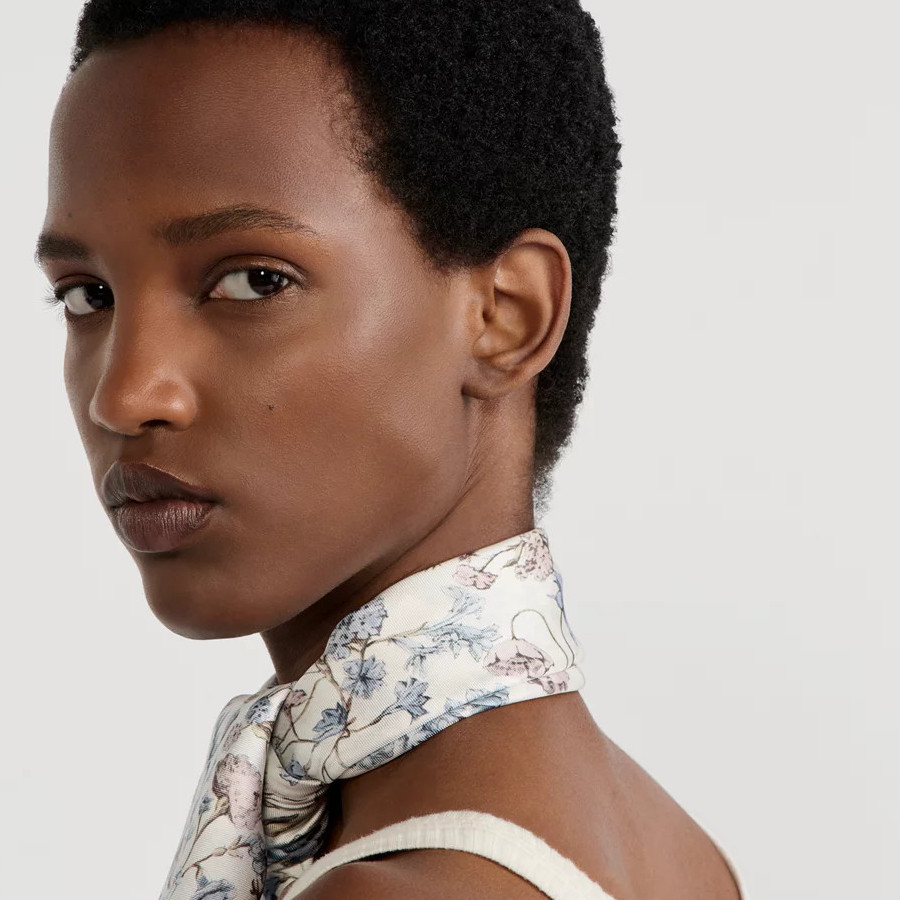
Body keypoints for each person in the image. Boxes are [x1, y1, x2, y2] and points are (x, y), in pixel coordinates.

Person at [34, 2, 743, 898]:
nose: (126, 394)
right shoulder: (676, 851)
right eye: (87, 295)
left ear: (506, 317)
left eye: (253, 281)